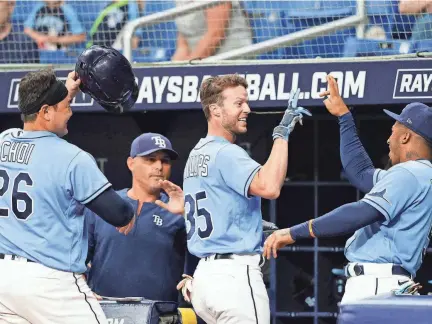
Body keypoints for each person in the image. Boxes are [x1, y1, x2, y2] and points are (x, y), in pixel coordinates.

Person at [263, 75, 432, 304]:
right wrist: (344, 117)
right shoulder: (417, 176)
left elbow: (359, 213)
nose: (388, 140)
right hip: (387, 283)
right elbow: (361, 173)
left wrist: (293, 233)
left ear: (405, 136)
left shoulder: (411, 174)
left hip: (378, 286)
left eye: (393, 131)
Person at [164, 74, 311, 324]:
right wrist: (281, 135)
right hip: (234, 278)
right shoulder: (226, 152)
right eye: (239, 103)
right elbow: (270, 186)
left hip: (205, 278)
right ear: (215, 110)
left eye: (246, 102)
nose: (247, 109)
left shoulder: (197, 153)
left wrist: (253, 227)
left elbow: (222, 208)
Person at [0, 68, 136, 324]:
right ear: (46, 112)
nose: (70, 112)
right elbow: (120, 214)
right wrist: (129, 214)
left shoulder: (4, 140)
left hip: (4, 279)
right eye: (66, 106)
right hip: (50, 283)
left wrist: (65, 92)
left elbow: (37, 122)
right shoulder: (71, 157)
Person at [86, 132, 188, 302]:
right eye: (150, 159)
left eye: (165, 161)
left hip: (159, 314)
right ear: (131, 163)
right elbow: (77, 260)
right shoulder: (106, 206)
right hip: (104, 312)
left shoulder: (179, 212)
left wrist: (187, 215)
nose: (159, 167)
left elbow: (203, 258)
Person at [172, 0, 252, 61]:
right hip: (198, 61)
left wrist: (189, 66)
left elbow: (215, 34)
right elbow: (183, 43)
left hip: (230, 58)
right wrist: (176, 67)